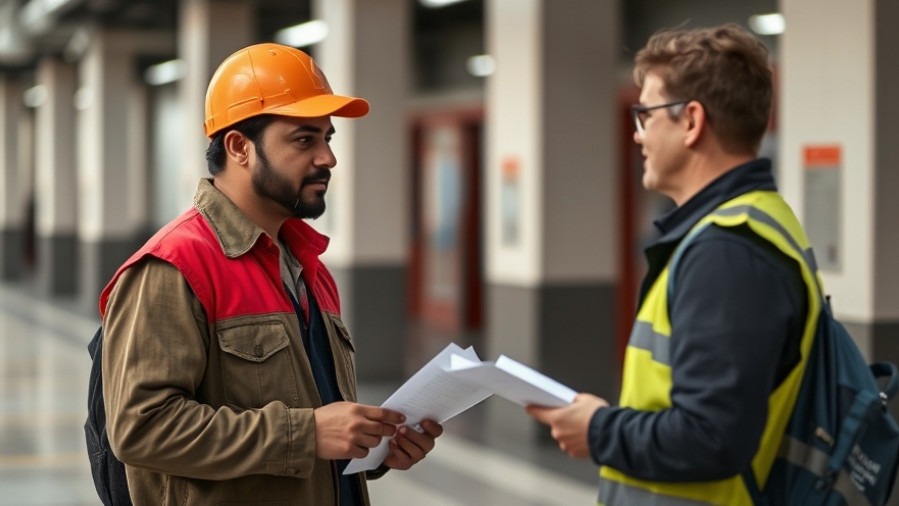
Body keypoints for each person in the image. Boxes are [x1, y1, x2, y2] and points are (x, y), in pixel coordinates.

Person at [100, 43, 443, 505]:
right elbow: (142, 429)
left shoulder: (308, 266)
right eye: (304, 140)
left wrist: (372, 446)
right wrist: (305, 434)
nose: (328, 158)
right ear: (239, 147)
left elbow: (319, 421)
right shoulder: (175, 265)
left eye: (328, 138)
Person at [527, 24, 821, 505]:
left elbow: (713, 438)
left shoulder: (727, 253)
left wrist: (597, 429)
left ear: (691, 121)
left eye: (645, 114)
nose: (638, 134)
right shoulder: (757, 223)